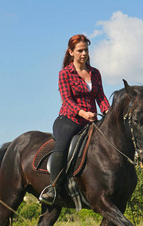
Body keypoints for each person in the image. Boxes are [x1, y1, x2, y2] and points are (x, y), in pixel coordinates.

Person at [41, 34, 110, 202]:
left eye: (86, 50)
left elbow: (100, 96)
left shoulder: (95, 73)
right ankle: (53, 188)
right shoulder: (65, 73)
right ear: (71, 52)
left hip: (91, 121)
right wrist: (83, 113)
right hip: (69, 119)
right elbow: (67, 100)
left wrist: (108, 112)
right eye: (80, 51)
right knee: (63, 145)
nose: (84, 54)